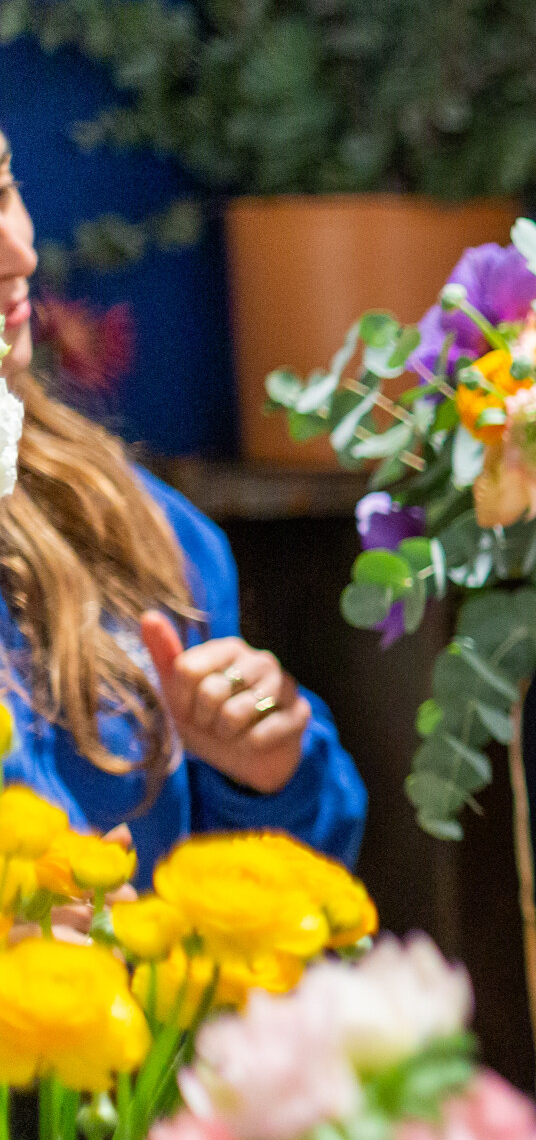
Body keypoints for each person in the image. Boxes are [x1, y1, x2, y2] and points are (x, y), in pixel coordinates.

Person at [0, 123, 366, 878]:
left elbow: (291, 892)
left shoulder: (141, 530)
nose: (18, 252)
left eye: (4, 189)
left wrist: (264, 774)